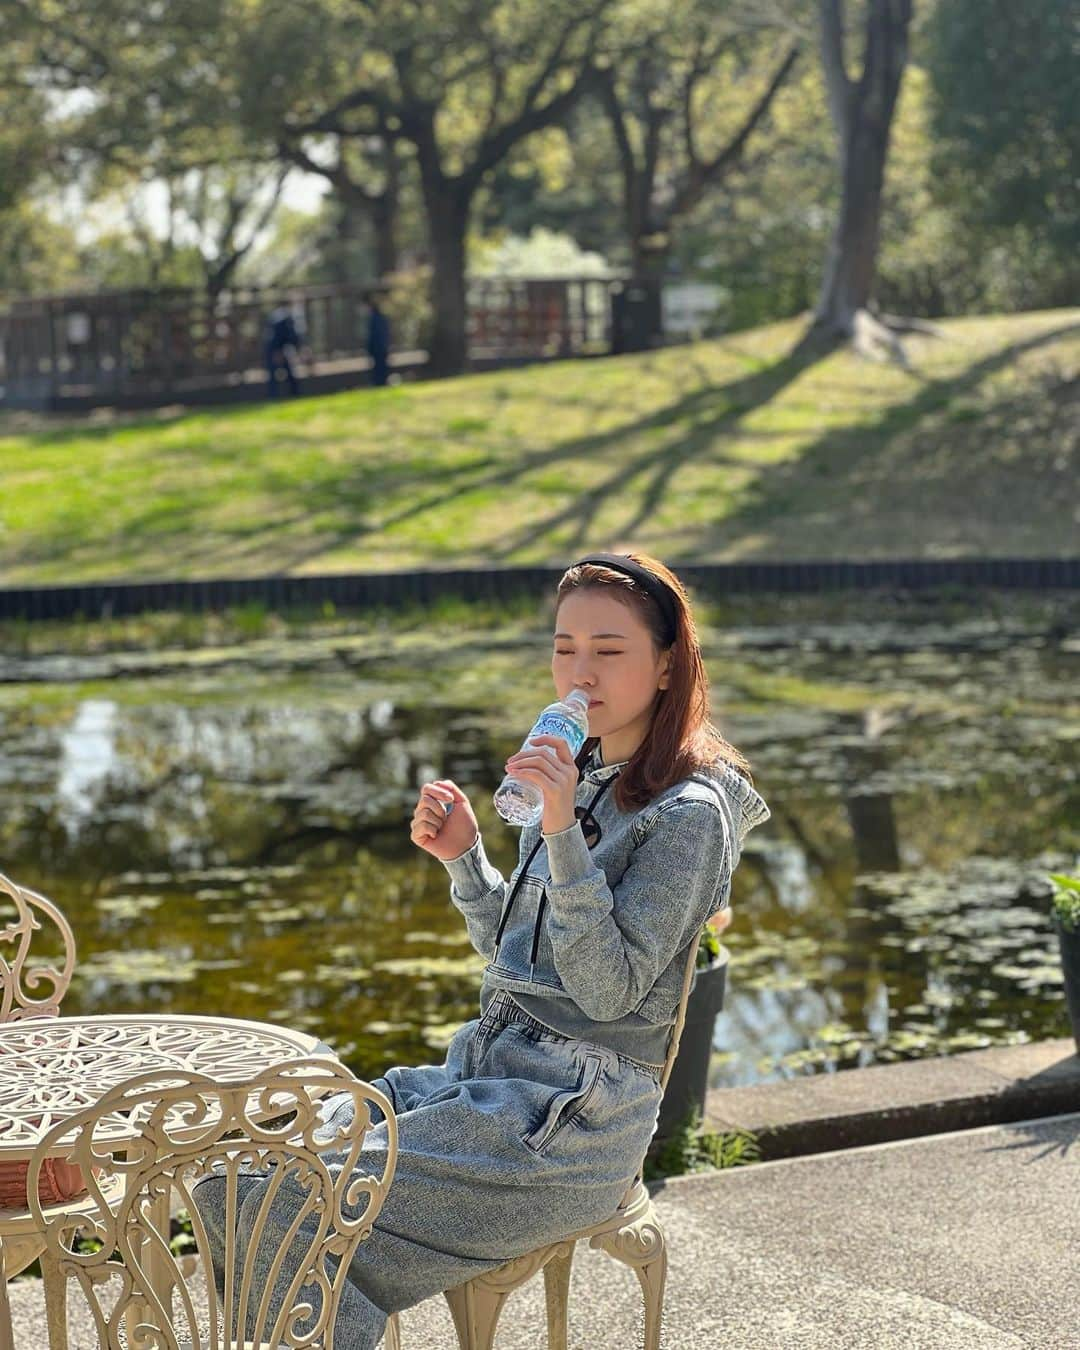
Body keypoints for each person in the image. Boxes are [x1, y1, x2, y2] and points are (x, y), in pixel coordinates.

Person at [192, 549, 770, 1349]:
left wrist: (560, 828)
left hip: (571, 1124)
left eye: (609, 651)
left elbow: (606, 992)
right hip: (485, 1080)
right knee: (238, 1178)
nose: (581, 671)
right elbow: (518, 961)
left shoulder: (688, 815)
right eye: (566, 648)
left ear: (668, 666)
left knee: (297, 1208)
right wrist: (466, 858)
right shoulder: (582, 770)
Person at [264, 299, 303, 398]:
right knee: (274, 375)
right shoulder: (283, 319)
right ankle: (274, 397)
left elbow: (292, 338)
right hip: (274, 349)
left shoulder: (285, 317)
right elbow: (277, 338)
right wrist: (277, 352)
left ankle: (294, 394)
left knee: (289, 373)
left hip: (280, 348)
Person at [365, 291, 391, 387]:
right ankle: (381, 382)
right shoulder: (380, 318)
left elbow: (375, 335)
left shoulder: (375, 318)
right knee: (381, 365)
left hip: (378, 347)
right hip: (381, 347)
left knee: (379, 366)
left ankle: (380, 382)